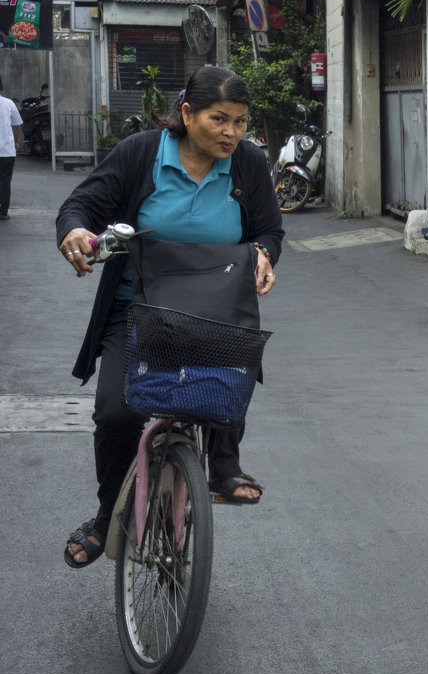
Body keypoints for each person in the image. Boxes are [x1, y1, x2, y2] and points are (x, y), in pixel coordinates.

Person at [57, 65, 284, 568]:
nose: (231, 133)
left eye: (241, 122)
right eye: (219, 119)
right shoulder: (141, 153)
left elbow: (269, 230)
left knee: (227, 383)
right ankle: (104, 516)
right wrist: (74, 232)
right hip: (137, 308)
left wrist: (265, 253)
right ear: (187, 113)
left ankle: (223, 469)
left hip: (215, 308)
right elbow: (81, 205)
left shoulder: (246, 163)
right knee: (117, 412)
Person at [0, 77, 23, 221]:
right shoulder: (9, 104)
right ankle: (3, 211)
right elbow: (16, 125)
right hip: (6, 150)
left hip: (7, 150)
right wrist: (16, 141)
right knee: (5, 181)